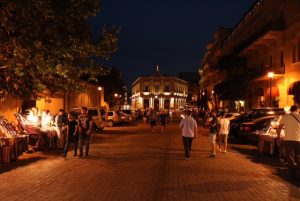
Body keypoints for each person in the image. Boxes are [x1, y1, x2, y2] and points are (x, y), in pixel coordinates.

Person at [277, 105, 300, 180]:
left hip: (288, 140)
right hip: (298, 140)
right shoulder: (299, 116)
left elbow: (279, 128)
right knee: (299, 157)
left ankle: (291, 176)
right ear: (297, 109)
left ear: (290, 110)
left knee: (290, 158)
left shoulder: (285, 116)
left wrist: (278, 137)